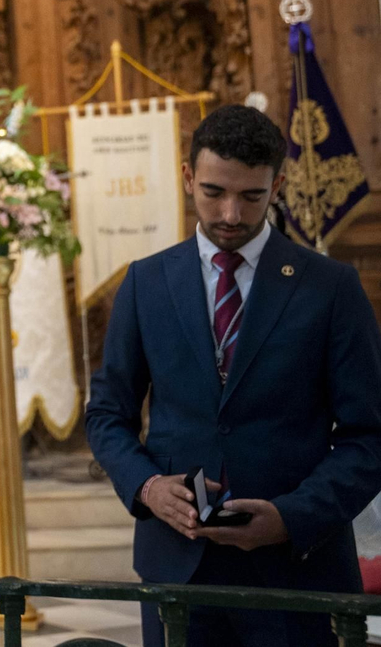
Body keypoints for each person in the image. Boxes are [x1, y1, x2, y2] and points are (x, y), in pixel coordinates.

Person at [86, 104, 381, 646]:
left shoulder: (330, 288)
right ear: (186, 178)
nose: (230, 213)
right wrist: (147, 487)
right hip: (178, 566)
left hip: (297, 568)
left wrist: (291, 517)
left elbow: (370, 436)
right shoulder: (145, 283)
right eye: (213, 191)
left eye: (251, 196)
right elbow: (108, 414)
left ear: (278, 185)